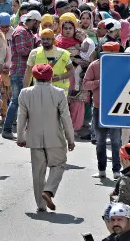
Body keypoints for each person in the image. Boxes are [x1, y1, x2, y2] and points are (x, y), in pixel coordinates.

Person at [17, 63, 76, 212]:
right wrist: (70, 139)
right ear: (50, 77)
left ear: (35, 76)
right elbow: (66, 118)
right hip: (55, 138)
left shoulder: (25, 93)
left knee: (38, 172)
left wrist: (20, 137)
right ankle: (48, 191)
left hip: (34, 138)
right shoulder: (59, 93)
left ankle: (40, 205)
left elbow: (21, 117)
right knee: (59, 165)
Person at [83, 45, 123, 180]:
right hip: (99, 109)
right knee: (100, 141)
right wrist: (100, 82)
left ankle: (117, 171)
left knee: (116, 142)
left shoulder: (124, 65)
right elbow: (85, 84)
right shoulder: (95, 65)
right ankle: (101, 170)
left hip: (117, 110)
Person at [3, 10, 41, 139]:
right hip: (19, 71)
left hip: (26, 72)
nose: (39, 26)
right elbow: (22, 51)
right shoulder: (20, 32)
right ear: (34, 21)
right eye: (38, 23)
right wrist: (37, 51)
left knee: (23, 102)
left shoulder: (28, 32)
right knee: (16, 101)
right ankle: (7, 129)